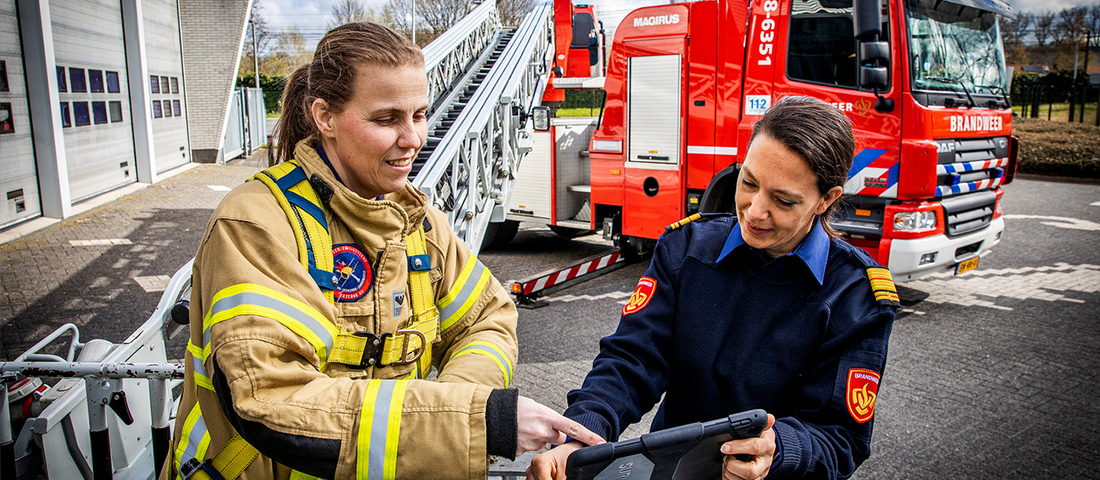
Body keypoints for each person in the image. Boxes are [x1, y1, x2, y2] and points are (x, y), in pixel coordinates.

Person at [164, 22, 601, 480]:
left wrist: (456, 408)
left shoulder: (416, 220)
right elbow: (269, 398)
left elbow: (487, 321)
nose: (413, 138)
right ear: (325, 117)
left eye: (419, 114)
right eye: (387, 119)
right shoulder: (256, 224)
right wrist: (478, 421)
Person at [527, 96, 898, 480]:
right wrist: (580, 438)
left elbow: (841, 438)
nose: (755, 210)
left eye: (783, 200)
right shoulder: (687, 249)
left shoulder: (857, 298)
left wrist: (779, 450)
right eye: (748, 182)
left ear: (827, 200)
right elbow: (631, 360)